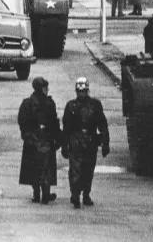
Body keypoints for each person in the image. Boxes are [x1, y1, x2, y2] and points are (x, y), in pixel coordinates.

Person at [61, 77, 110, 209]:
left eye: (83, 91)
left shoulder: (95, 105)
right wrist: (64, 145)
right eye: (79, 91)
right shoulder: (71, 106)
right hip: (75, 141)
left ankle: (86, 194)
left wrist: (105, 143)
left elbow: (102, 124)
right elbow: (66, 127)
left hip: (91, 141)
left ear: (87, 91)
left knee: (88, 170)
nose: (81, 94)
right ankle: (75, 195)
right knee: (75, 170)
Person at [18, 77, 61, 204]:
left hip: (32, 139)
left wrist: (27, 135)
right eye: (46, 88)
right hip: (46, 138)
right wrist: (58, 139)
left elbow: (22, 121)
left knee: (33, 166)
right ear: (42, 89)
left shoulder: (27, 103)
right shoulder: (49, 103)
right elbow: (54, 122)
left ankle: (36, 193)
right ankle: (45, 193)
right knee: (46, 167)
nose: (47, 90)